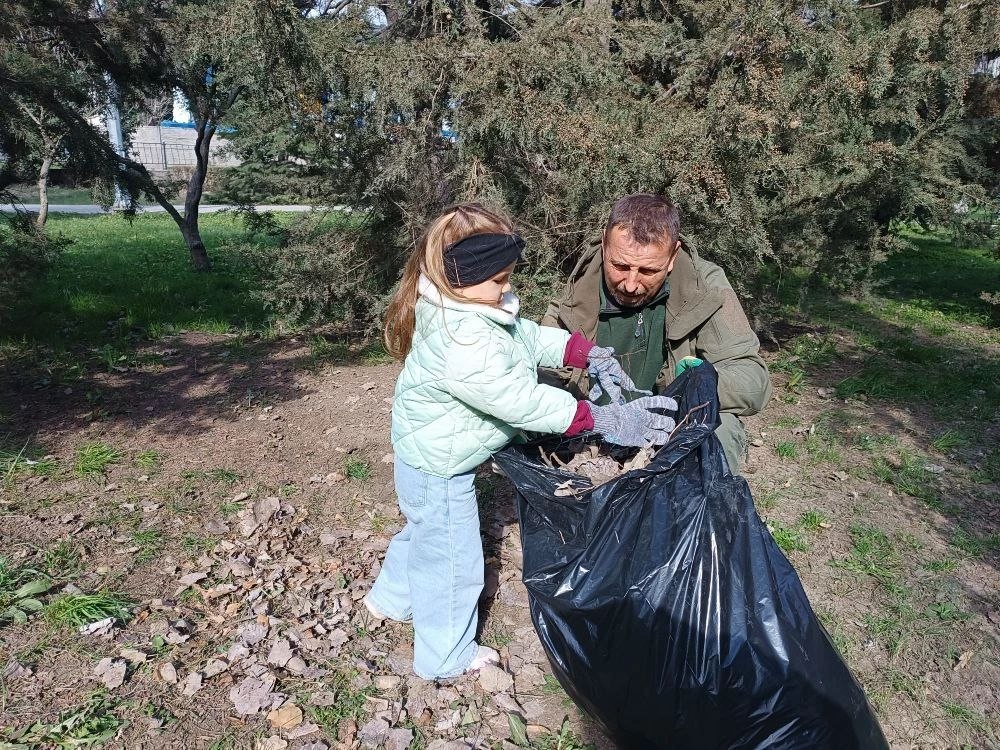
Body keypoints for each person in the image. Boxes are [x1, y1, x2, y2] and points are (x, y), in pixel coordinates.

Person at [365, 203, 677, 680]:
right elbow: (519, 401)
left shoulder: (472, 306)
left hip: (425, 457)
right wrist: (595, 418)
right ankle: (445, 657)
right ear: (461, 275)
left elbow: (523, 336)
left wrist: (582, 350)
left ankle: (389, 600)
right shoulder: (465, 340)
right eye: (500, 279)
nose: (507, 288)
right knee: (454, 561)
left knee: (423, 532)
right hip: (440, 467)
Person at [541, 194, 772, 473]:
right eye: (620, 266)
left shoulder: (705, 289)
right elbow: (538, 378)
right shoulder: (575, 296)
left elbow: (752, 379)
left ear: (673, 255)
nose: (630, 284)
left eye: (649, 270)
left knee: (721, 426)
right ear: (604, 244)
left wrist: (692, 386)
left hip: (672, 428)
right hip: (592, 431)